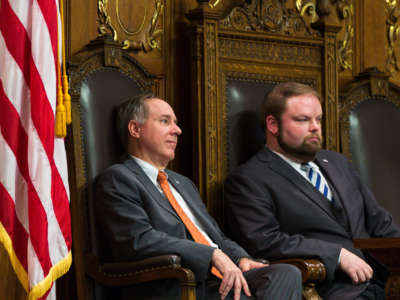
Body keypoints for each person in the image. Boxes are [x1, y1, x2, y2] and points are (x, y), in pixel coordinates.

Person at [95, 93, 302, 300]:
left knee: (286, 274)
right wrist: (210, 255)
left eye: (175, 123)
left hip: (215, 279)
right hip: (177, 283)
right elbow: (139, 240)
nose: (177, 130)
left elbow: (215, 237)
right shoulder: (118, 179)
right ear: (135, 129)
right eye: (165, 121)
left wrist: (241, 258)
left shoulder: (183, 184)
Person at [224, 82, 400, 300]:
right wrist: (335, 255)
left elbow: (379, 222)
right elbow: (265, 241)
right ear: (273, 124)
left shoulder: (337, 163)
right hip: (335, 289)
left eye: (318, 119)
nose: (315, 127)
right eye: (303, 120)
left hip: (387, 281)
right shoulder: (249, 180)